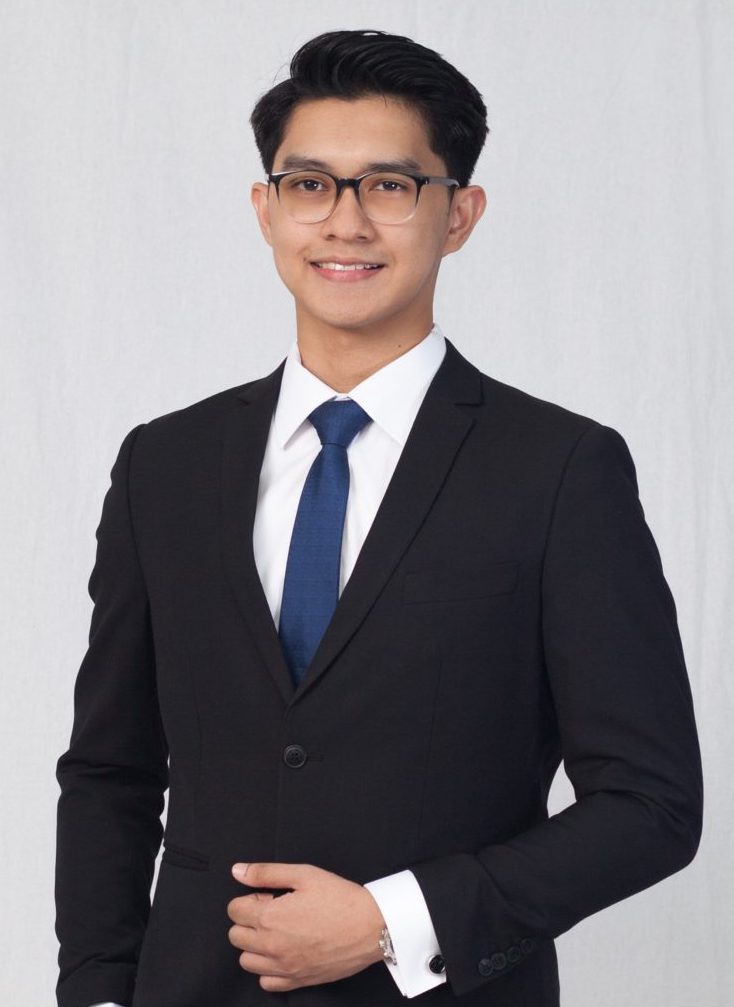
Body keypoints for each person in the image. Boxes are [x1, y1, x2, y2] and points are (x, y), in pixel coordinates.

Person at [54, 28, 703, 1007]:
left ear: (459, 214)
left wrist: (394, 920)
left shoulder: (560, 468)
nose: (345, 222)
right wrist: (100, 988)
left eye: (389, 185)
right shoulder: (165, 462)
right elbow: (111, 765)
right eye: (310, 184)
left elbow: (650, 804)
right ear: (266, 209)